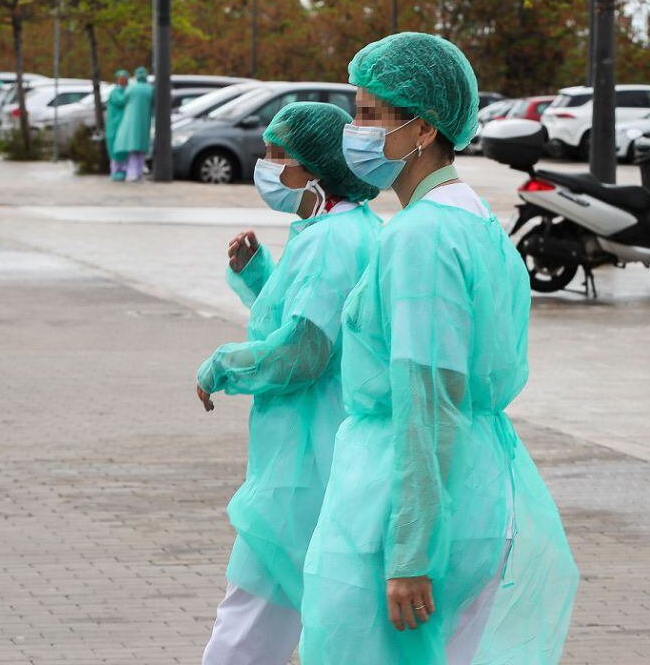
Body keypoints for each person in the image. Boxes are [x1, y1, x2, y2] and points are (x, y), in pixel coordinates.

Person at [299, 32, 577, 664]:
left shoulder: (422, 237)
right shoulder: (473, 218)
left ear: (422, 127)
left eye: (369, 114)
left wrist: (411, 550)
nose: (354, 132)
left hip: (411, 504)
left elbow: (429, 399)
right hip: (471, 486)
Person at [197, 102, 382, 665]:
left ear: (315, 166)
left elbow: (303, 352)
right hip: (317, 452)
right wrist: (260, 277)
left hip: (305, 462)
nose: (267, 165)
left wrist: (225, 365)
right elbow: (311, 320)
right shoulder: (340, 227)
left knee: (245, 631)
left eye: (279, 155)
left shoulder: (331, 240)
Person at [113, 66, 153, 182]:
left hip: (130, 123)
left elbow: (122, 100)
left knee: (132, 149)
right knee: (141, 150)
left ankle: (132, 174)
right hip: (145, 122)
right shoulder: (150, 89)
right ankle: (138, 174)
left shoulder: (131, 89)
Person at [105, 69, 130, 181]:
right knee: (115, 147)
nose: (122, 81)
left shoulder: (126, 91)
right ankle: (116, 171)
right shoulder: (115, 92)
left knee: (124, 147)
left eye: (124, 79)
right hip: (114, 125)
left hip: (123, 125)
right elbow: (121, 101)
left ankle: (124, 170)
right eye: (120, 79)